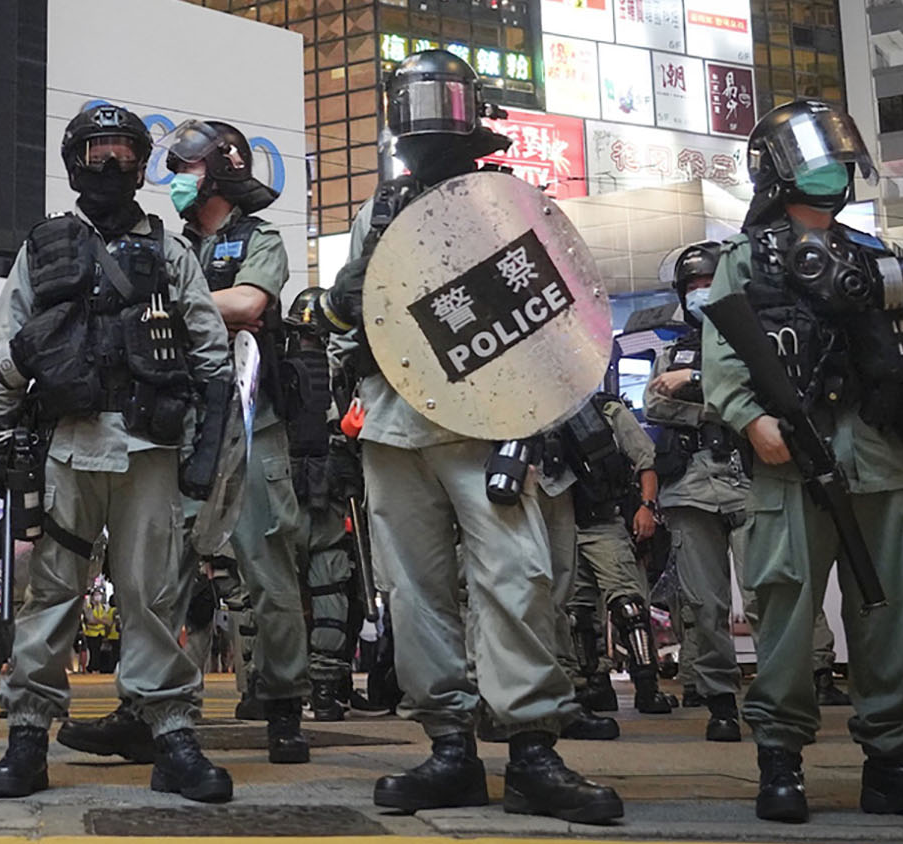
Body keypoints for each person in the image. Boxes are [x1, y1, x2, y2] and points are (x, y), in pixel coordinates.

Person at [320, 50, 622, 823]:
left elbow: (567, 324)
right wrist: (341, 307)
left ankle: (531, 750)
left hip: (496, 424)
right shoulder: (382, 210)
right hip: (394, 422)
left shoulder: (514, 202)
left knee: (516, 580)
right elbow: (351, 314)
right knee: (412, 592)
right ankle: (448, 745)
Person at [702, 98, 903, 823]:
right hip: (790, 460)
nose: (830, 170)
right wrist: (750, 416)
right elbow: (722, 358)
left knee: (896, 608)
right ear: (778, 169)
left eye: (836, 157)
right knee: (787, 611)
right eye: (813, 157)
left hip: (882, 456)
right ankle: (780, 760)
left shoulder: (877, 261)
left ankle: (893, 761)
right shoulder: (744, 259)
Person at [0, 102, 234, 803]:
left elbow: (212, 357)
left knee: (154, 596)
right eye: (99, 151)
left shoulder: (169, 250)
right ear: (76, 161)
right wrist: (0, 433)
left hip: (151, 447)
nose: (114, 163)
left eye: (125, 149)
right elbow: (3, 348)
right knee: (50, 596)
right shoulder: (44, 246)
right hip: (66, 445)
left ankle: (172, 733)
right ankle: (28, 735)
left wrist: (207, 454)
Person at [168, 117, 309, 756]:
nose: (179, 182)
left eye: (190, 169)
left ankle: (281, 705)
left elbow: (251, 303)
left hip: (253, 422)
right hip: (183, 424)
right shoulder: (172, 247)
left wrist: (170, 300)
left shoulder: (259, 239)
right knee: (167, 572)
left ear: (222, 170)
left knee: (268, 569)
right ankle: (165, 703)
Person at [644, 241, 751, 742]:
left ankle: (777, 699)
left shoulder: (753, 342)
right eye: (691, 286)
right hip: (688, 486)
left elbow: (760, 399)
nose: (699, 293)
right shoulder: (670, 349)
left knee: (766, 596)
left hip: (747, 479)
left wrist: (695, 383)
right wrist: (716, 400)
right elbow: (655, 407)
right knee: (704, 605)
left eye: (707, 283)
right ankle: (721, 701)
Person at [543, 393, 676, 718]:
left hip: (603, 520)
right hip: (560, 527)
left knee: (628, 606)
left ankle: (647, 685)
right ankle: (594, 683)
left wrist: (647, 507)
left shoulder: (605, 410)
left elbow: (645, 459)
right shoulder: (538, 415)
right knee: (577, 614)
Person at [286, 286, 358, 721]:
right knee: (330, 587)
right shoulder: (344, 373)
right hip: (329, 495)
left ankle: (271, 687)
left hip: (288, 492)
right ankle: (328, 689)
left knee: (276, 592)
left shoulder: (276, 368)